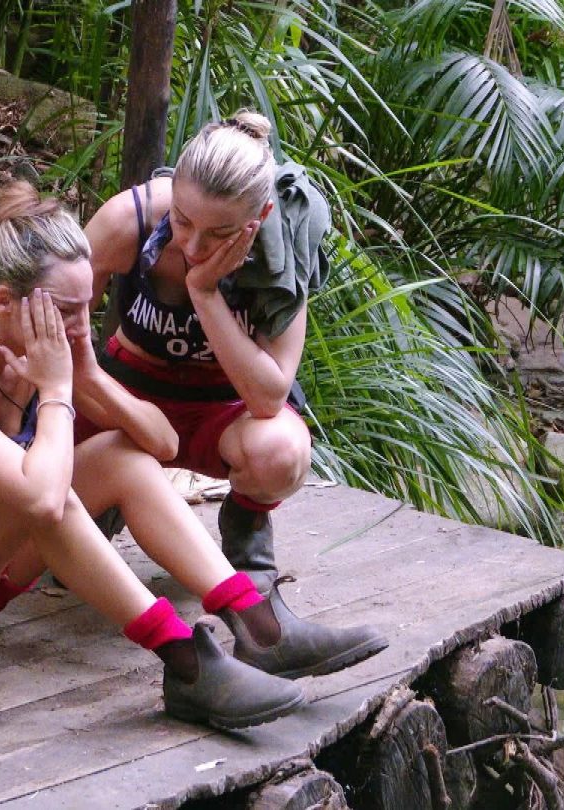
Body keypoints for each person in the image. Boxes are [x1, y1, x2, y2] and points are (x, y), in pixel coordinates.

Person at [0, 184, 377, 731]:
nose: (78, 324)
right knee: (40, 489)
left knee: (118, 455)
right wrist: (57, 390)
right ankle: (185, 661)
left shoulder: (40, 349)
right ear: (4, 302)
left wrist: (85, 370)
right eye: (66, 310)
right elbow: (42, 498)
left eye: (88, 305)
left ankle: (257, 625)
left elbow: (161, 446)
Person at [80, 112, 388, 669]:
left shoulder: (283, 244)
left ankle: (247, 544)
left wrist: (204, 294)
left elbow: (270, 396)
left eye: (220, 233)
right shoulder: (127, 220)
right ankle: (99, 512)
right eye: (182, 220)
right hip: (127, 404)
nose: (194, 244)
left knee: (282, 451)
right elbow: (54, 336)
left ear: (259, 216)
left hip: (224, 412)